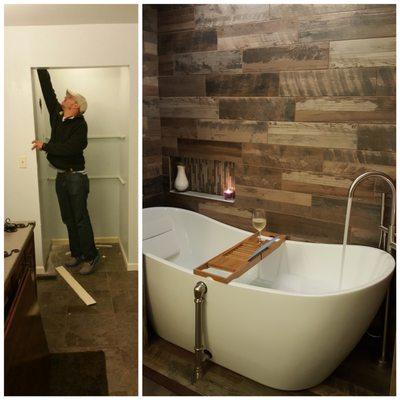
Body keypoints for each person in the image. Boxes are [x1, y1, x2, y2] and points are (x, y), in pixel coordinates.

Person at [32, 69, 100, 275]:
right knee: (68, 218)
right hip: (62, 176)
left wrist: (46, 146)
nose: (65, 97)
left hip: (76, 177)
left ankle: (91, 256)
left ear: (76, 106)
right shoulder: (58, 115)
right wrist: (42, 68)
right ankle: (78, 253)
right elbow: (48, 92)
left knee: (79, 217)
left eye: (69, 97)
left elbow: (72, 148)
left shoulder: (81, 125)